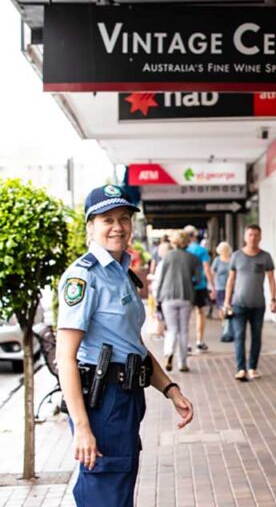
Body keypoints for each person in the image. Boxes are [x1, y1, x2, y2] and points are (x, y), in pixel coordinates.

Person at [55, 184, 194, 507]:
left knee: (118, 492)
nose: (117, 226)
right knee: (105, 493)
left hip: (126, 399)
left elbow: (134, 345)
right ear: (90, 226)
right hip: (101, 401)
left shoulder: (121, 274)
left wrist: (170, 389)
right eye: (107, 219)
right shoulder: (83, 277)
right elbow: (66, 357)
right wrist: (83, 428)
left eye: (124, 218)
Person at [223, 224, 276, 381]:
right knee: (239, 336)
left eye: (256, 235)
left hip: (258, 305)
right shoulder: (236, 256)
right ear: (245, 237)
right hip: (238, 304)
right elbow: (231, 280)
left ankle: (252, 367)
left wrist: (274, 300)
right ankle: (241, 369)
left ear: (260, 237)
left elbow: (271, 280)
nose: (253, 238)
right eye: (250, 235)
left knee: (256, 337)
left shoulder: (265, 257)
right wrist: (227, 302)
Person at [154, 231, 201, 372]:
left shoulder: (166, 257)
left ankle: (168, 353)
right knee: (183, 330)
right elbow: (198, 280)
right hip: (186, 295)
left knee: (172, 328)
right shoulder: (193, 258)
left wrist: (158, 297)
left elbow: (160, 278)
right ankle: (182, 363)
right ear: (187, 241)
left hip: (167, 296)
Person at [183, 225, 215, 352]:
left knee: (186, 314)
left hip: (185, 285)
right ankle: (200, 341)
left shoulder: (183, 250)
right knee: (200, 312)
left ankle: (185, 343)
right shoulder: (201, 250)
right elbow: (206, 269)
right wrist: (212, 285)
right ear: (195, 235)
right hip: (199, 285)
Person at [211, 242, 233, 319]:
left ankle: (229, 321)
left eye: (226, 249)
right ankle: (224, 322)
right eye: (223, 249)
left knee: (230, 306)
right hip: (219, 287)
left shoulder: (232, 260)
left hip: (231, 287)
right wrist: (212, 287)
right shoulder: (217, 260)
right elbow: (212, 273)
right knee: (221, 306)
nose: (224, 251)